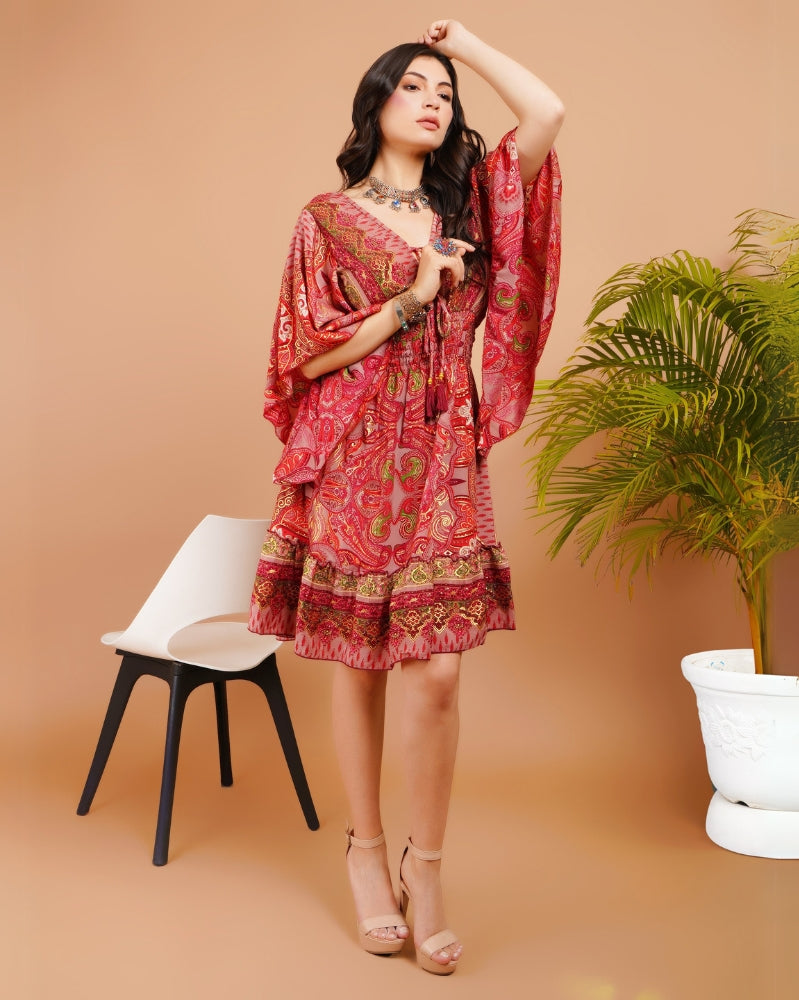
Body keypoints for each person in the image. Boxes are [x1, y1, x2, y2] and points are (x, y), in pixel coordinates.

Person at [249, 18, 563, 975]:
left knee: (438, 671)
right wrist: (412, 299)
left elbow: (547, 111)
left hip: (441, 451)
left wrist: (463, 44)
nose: (434, 101)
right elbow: (307, 356)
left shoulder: (473, 202)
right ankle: (366, 852)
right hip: (356, 451)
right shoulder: (325, 220)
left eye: (444, 92)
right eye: (414, 86)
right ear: (375, 105)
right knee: (361, 660)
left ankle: (425, 872)